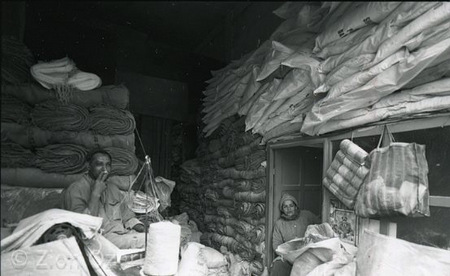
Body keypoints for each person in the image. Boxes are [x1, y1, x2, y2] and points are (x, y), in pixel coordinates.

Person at [61, 148, 146, 249]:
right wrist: (95, 193)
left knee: (155, 235)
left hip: (122, 236)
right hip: (99, 241)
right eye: (99, 164)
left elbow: (127, 217)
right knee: (152, 241)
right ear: (89, 166)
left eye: (108, 165)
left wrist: (141, 227)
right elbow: (83, 229)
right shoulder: (75, 189)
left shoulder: (112, 188)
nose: (105, 169)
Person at [270, 193, 321, 276]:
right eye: (285, 207)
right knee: (278, 266)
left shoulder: (306, 215)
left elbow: (320, 226)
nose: (289, 209)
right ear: (282, 209)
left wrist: (313, 235)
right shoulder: (279, 224)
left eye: (291, 205)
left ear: (296, 206)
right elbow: (276, 244)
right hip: (289, 256)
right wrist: (284, 255)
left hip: (308, 253)